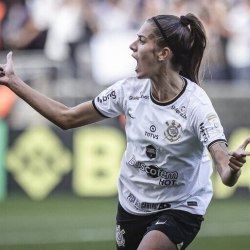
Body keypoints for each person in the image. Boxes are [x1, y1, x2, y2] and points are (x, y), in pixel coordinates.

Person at [0, 13, 249, 250]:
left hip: (180, 207)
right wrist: (14, 82)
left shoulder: (196, 105)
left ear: (163, 53)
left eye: (141, 40)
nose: (132, 46)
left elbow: (225, 172)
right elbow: (66, 117)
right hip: (132, 205)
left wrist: (233, 168)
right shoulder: (128, 90)